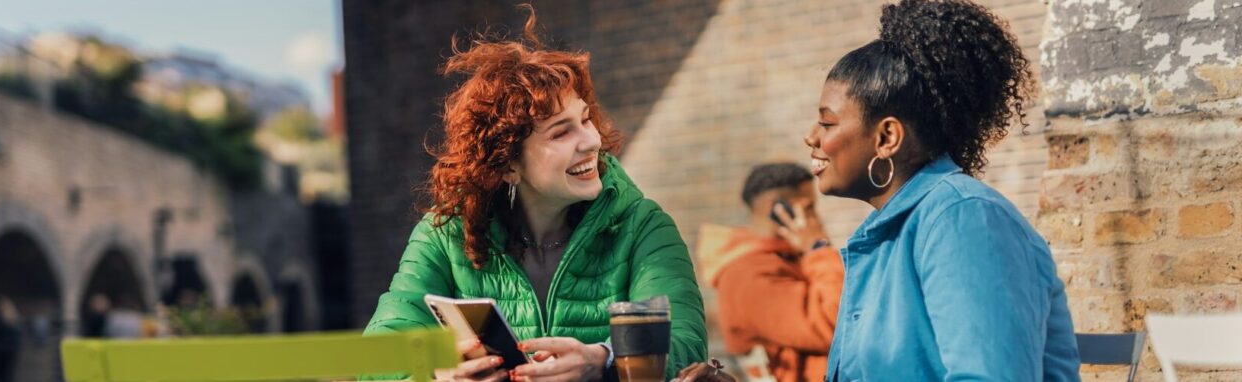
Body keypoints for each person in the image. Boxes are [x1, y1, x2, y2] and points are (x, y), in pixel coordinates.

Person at [364, 5, 707, 381]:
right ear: (507, 164)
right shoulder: (444, 234)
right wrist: (438, 376)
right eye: (561, 132)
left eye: (585, 119)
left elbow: (685, 342)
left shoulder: (643, 226)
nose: (591, 141)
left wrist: (604, 361)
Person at [806, 0, 1080, 380]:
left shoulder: (964, 219)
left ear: (887, 137)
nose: (812, 137)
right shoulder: (891, 235)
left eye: (826, 123)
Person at [696, 163, 842, 382]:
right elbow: (838, 326)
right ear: (775, 207)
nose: (815, 217)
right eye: (808, 207)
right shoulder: (747, 273)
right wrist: (819, 250)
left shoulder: (787, 258)